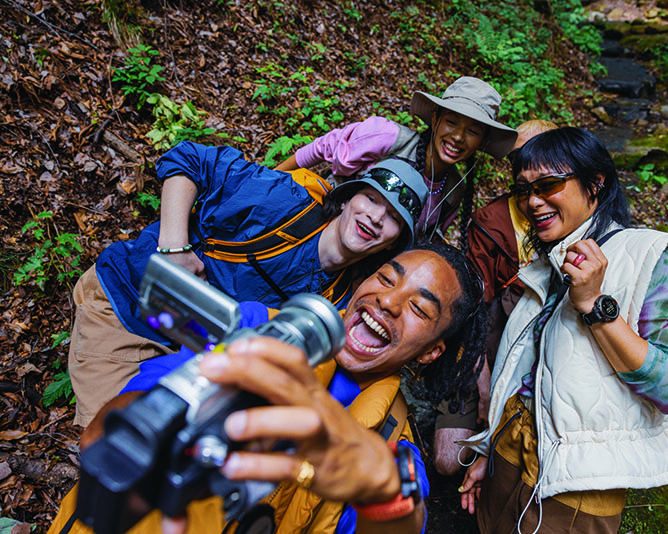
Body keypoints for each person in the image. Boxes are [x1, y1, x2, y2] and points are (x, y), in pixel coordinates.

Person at [49, 242, 487, 534]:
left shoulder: (391, 446)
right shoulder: (259, 327)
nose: (388, 302)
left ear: (431, 352)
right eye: (386, 280)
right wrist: (199, 395)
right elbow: (107, 428)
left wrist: (382, 492)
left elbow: (406, 521)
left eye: (417, 307)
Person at [68, 141, 428, 427]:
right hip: (133, 310)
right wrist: (175, 248)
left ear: (395, 242)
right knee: (123, 439)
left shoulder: (345, 297)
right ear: (348, 198)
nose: (375, 217)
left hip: (200, 356)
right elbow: (189, 158)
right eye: (371, 198)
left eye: (394, 217)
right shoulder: (281, 202)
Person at [458, 127, 668, 534]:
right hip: (510, 443)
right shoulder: (548, 262)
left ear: (596, 182)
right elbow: (526, 367)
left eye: (549, 184)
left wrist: (595, 305)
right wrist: (487, 448)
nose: (532, 201)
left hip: (575, 482)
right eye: (523, 190)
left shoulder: (653, 257)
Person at [432, 120, 556, 476]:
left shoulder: (572, 219)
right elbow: (471, 308)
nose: (531, 171)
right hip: (483, 349)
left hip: (538, 360)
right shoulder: (491, 222)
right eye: (521, 161)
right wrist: (482, 383)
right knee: (448, 460)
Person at [275, 76, 517, 242]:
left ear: (482, 142)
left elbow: (424, 241)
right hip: (313, 233)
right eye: (451, 122)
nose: (458, 137)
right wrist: (269, 179)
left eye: (473, 131)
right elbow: (319, 149)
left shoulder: (453, 191)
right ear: (435, 120)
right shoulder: (388, 137)